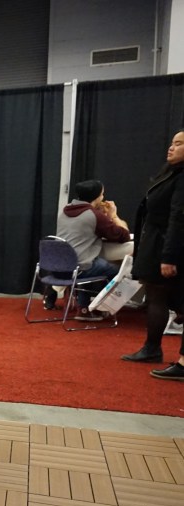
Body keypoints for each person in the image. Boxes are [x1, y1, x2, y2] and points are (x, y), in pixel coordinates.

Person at [121, 129, 184, 381]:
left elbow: (178, 218)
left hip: (168, 247)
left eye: (179, 144)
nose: (171, 147)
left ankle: (164, 354)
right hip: (159, 244)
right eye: (172, 142)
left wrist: (168, 256)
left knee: (165, 299)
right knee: (156, 296)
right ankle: (152, 348)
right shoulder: (171, 174)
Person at [56, 180, 130, 321]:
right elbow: (123, 235)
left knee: (92, 261)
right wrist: (113, 215)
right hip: (80, 268)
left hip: (58, 267)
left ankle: (83, 308)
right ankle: (102, 307)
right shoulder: (93, 214)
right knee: (118, 271)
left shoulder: (65, 211)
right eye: (102, 194)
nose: (103, 197)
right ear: (97, 197)